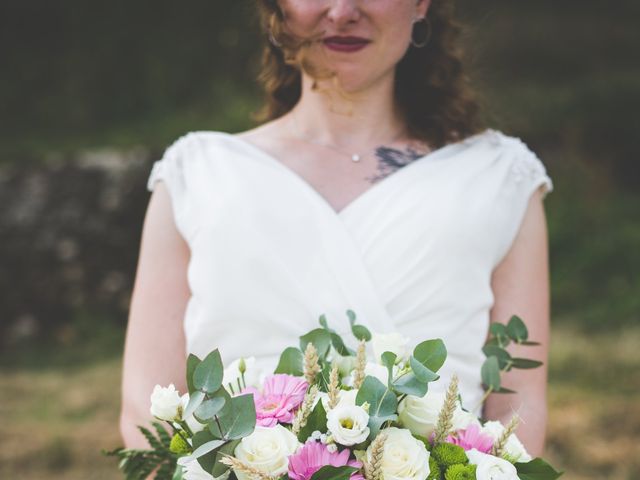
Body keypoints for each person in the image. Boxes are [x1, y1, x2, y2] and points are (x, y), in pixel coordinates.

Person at [120, 0, 553, 459]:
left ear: (422, 4)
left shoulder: (500, 176)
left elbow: (519, 406)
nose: (343, 10)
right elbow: (146, 406)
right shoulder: (199, 173)